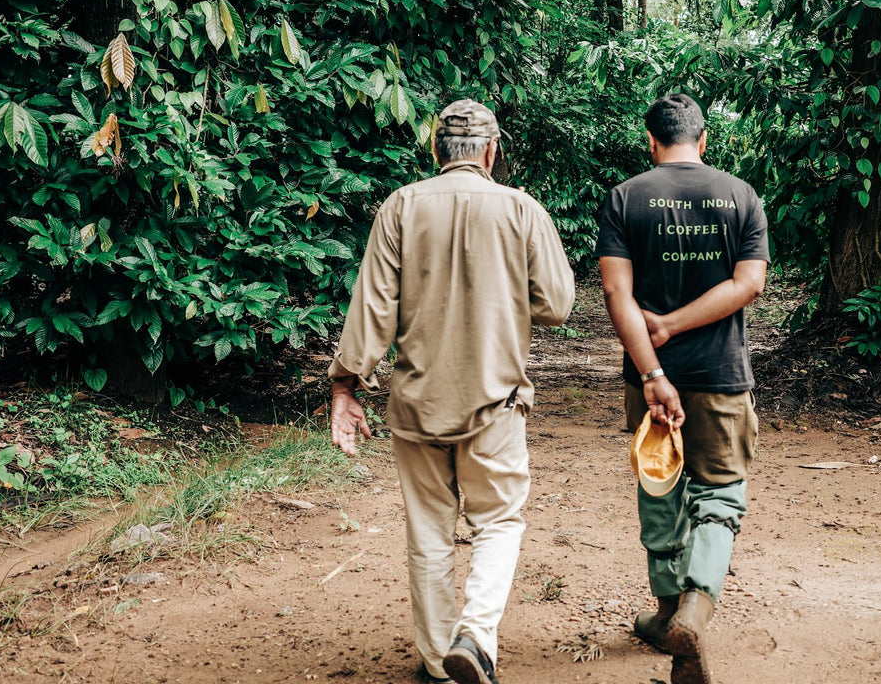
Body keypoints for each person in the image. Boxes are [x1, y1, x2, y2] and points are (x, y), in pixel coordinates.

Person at [327, 99, 575, 684]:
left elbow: (373, 310)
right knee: (499, 521)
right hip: (496, 402)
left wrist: (345, 388)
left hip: (417, 405)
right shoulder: (522, 209)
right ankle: (477, 635)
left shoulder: (401, 207)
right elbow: (558, 305)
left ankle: (440, 663)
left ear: (436, 149)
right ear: (491, 151)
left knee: (429, 532)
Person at [596, 94, 769, 684]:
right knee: (719, 497)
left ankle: (668, 610)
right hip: (721, 373)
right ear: (703, 139)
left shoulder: (626, 197)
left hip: (648, 377)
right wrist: (678, 324)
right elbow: (749, 284)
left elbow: (616, 295)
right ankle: (694, 611)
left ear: (651, 140)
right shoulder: (741, 195)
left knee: (660, 486)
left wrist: (653, 370)